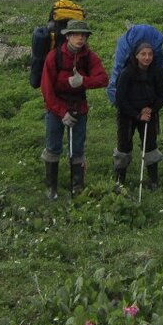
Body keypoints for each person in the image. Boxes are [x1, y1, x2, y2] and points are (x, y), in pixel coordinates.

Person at [40, 19, 107, 199]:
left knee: (77, 149)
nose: (80, 38)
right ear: (68, 36)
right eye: (76, 34)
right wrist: (62, 112)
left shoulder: (89, 57)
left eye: (83, 35)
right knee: (53, 147)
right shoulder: (54, 57)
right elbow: (47, 90)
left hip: (79, 107)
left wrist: (83, 81)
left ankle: (77, 188)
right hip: (56, 109)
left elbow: (103, 79)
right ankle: (51, 189)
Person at [113, 41, 163, 189]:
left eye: (150, 54)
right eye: (143, 54)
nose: (147, 57)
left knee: (150, 144)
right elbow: (120, 99)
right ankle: (119, 179)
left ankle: (153, 180)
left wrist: (151, 109)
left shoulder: (156, 72)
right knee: (124, 145)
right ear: (136, 55)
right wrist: (137, 115)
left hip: (148, 112)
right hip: (128, 114)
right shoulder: (126, 73)